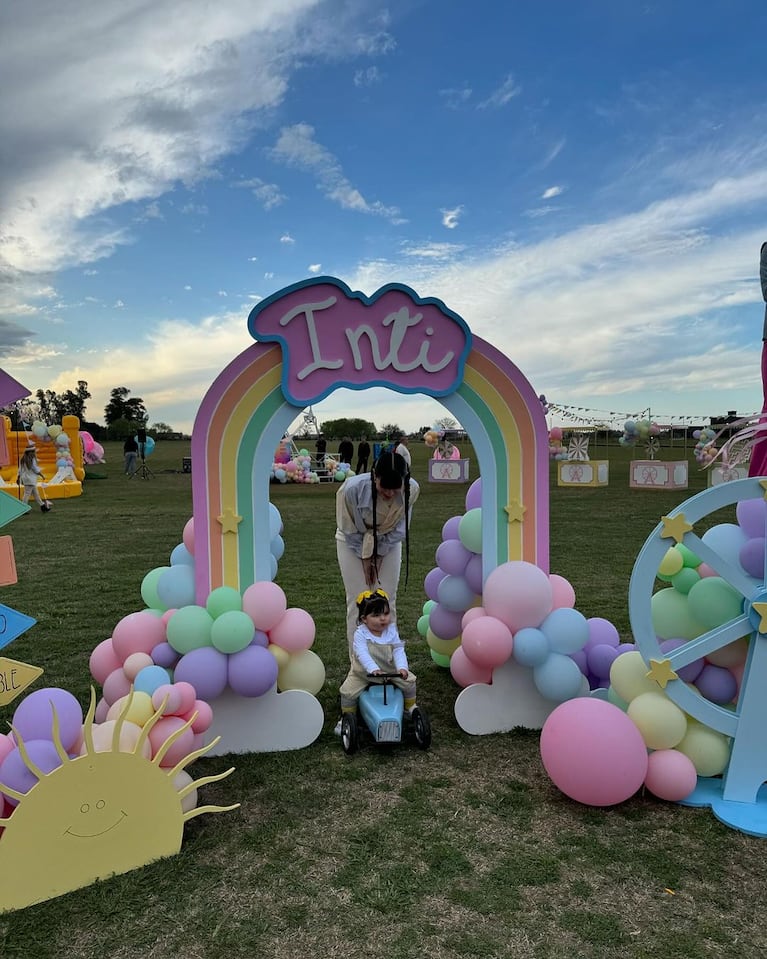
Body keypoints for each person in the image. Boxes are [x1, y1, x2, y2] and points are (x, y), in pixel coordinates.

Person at [335, 451, 419, 658]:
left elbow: (400, 528)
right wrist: (366, 559)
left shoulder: (412, 489)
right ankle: (359, 664)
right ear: (374, 477)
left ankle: (386, 662)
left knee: (386, 598)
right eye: (384, 487)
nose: (390, 493)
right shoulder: (351, 489)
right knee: (359, 600)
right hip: (352, 539)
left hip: (389, 540)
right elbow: (349, 527)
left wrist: (379, 555)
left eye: (395, 488)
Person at [336, 589, 417, 731]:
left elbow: (398, 650)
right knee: (348, 692)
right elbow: (362, 653)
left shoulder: (391, 631)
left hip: (390, 670)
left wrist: (402, 668)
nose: (383, 618)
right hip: (364, 673)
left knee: (410, 682)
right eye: (376, 615)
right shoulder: (361, 634)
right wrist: (373, 669)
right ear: (364, 618)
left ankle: (409, 708)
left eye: (386, 613)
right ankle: (347, 718)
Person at [18, 446, 51, 512]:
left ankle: (42, 506)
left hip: (26, 478)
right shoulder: (31, 459)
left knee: (35, 493)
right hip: (30, 479)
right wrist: (41, 475)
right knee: (27, 494)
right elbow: (35, 469)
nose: (34, 452)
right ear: (29, 452)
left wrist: (18, 477)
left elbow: (20, 469)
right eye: (33, 451)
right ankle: (23, 508)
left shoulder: (23, 459)